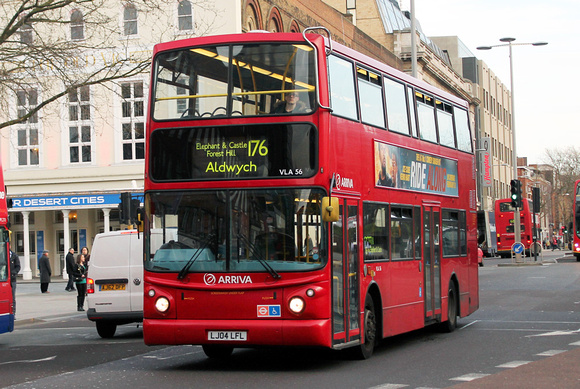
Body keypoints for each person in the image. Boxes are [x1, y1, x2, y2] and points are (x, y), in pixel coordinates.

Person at [9, 250, 21, 315]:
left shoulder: (14, 256)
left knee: (12, 296)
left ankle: (13, 313)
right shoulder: (3, 254)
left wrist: (13, 273)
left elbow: (18, 266)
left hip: (12, 279)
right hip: (5, 279)